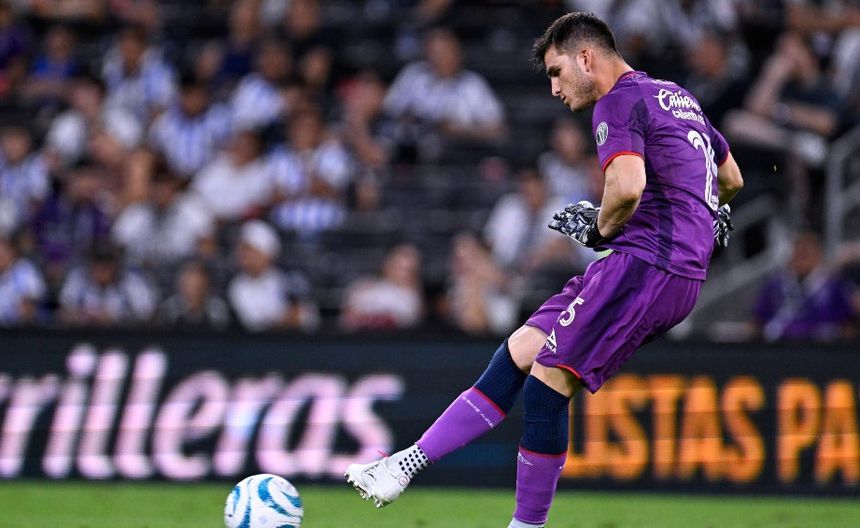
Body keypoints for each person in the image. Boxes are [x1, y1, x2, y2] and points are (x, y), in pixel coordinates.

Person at [345, 12, 744, 528]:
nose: (554, 89)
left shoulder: (617, 101)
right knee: (520, 351)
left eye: (557, 72)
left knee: (546, 385)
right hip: (653, 263)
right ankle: (403, 467)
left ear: (586, 58)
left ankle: (526, 525)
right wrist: (703, 216)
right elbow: (729, 178)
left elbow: (627, 188)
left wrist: (600, 229)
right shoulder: (676, 96)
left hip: (648, 265)